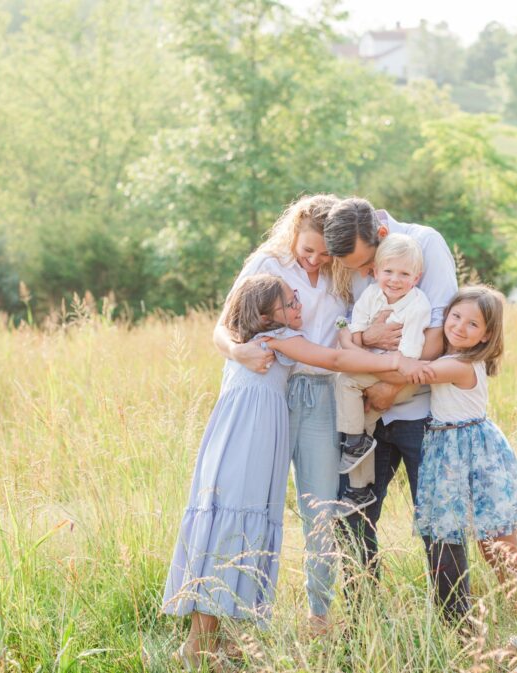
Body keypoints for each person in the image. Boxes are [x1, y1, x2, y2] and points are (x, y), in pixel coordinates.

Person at [164, 274, 430, 669]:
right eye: (290, 303)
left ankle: (215, 639)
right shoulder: (276, 339)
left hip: (248, 435)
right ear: (266, 315)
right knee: (231, 525)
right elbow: (337, 360)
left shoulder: (260, 342)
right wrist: (395, 360)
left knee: (236, 524)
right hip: (247, 440)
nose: (298, 306)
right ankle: (198, 644)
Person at [211, 194, 352, 632]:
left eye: (325, 254)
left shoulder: (343, 275)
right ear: (294, 231)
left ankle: (319, 614)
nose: (313, 261)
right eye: (307, 249)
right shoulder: (268, 264)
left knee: (321, 507)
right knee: (254, 501)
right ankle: (242, 615)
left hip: (322, 393)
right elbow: (223, 325)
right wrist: (239, 352)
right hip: (269, 389)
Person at [321, 197, 460, 588]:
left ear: (382, 235)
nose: (366, 274)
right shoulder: (347, 258)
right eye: (360, 270)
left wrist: (390, 387)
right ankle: (364, 623)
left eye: (368, 265)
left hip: (421, 410)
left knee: (438, 522)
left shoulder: (426, 244)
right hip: (365, 406)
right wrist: (365, 337)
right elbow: (344, 328)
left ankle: (458, 629)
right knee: (354, 516)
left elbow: (440, 334)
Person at [416, 286, 517, 657]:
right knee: (492, 552)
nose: (460, 327)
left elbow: (417, 372)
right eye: (455, 317)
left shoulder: (459, 365)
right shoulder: (453, 355)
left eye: (473, 323)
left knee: (505, 550)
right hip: (451, 455)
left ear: (487, 335)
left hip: (476, 458)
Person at [335, 233, 431, 513]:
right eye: (388, 271)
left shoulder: (417, 306)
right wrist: (363, 339)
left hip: (401, 379)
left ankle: (354, 441)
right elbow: (355, 331)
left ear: (416, 277)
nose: (395, 279)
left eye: (404, 273)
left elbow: (407, 357)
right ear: (375, 272)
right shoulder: (372, 294)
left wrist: (362, 354)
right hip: (378, 367)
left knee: (346, 383)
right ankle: (359, 487)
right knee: (363, 421)